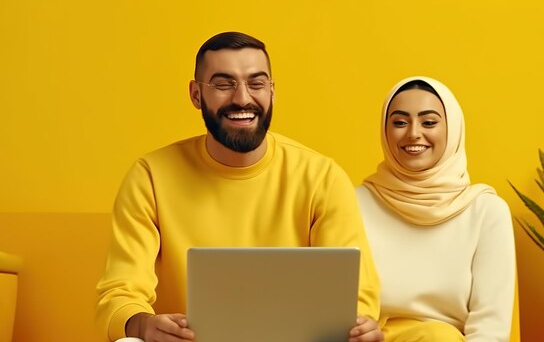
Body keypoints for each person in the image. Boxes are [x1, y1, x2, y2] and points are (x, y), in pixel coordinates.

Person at [96, 31, 382, 342]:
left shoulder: (322, 177)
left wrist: (358, 326)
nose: (243, 98)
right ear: (195, 94)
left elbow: (353, 297)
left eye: (256, 83)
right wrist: (141, 324)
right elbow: (120, 292)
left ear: (272, 91)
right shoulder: (150, 177)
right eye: (223, 84)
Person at [356, 76, 516, 341]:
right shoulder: (355, 203)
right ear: (384, 132)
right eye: (399, 122)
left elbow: (490, 330)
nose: (413, 133)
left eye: (429, 122)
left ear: (452, 129)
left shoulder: (486, 212)